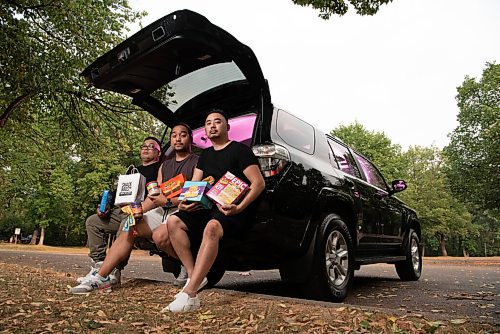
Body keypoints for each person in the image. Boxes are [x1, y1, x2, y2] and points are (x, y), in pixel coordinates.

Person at [70, 124, 198, 294]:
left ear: (190, 138)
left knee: (160, 237)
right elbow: (154, 197)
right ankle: (102, 277)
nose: (178, 138)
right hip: (160, 209)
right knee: (129, 224)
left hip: (180, 209)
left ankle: (192, 268)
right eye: (174, 135)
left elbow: (192, 194)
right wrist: (136, 212)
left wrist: (165, 201)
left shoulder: (197, 161)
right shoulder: (164, 167)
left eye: (183, 135)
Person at [158, 109, 265, 313]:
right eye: (208, 123)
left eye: (217, 121)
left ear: (227, 127)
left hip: (232, 209)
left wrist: (239, 207)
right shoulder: (205, 155)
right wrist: (183, 202)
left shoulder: (240, 151)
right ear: (205, 129)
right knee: (173, 222)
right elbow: (194, 184)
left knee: (212, 227)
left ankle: (189, 294)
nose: (212, 125)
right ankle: (194, 277)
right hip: (206, 207)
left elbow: (258, 183)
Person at [77, 136, 162, 285]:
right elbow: (118, 195)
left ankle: (114, 270)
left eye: (151, 146)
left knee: (127, 223)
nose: (146, 148)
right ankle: (99, 266)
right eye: (144, 146)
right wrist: (105, 208)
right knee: (93, 222)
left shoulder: (160, 169)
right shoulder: (131, 171)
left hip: (141, 211)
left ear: (158, 153)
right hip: (121, 209)